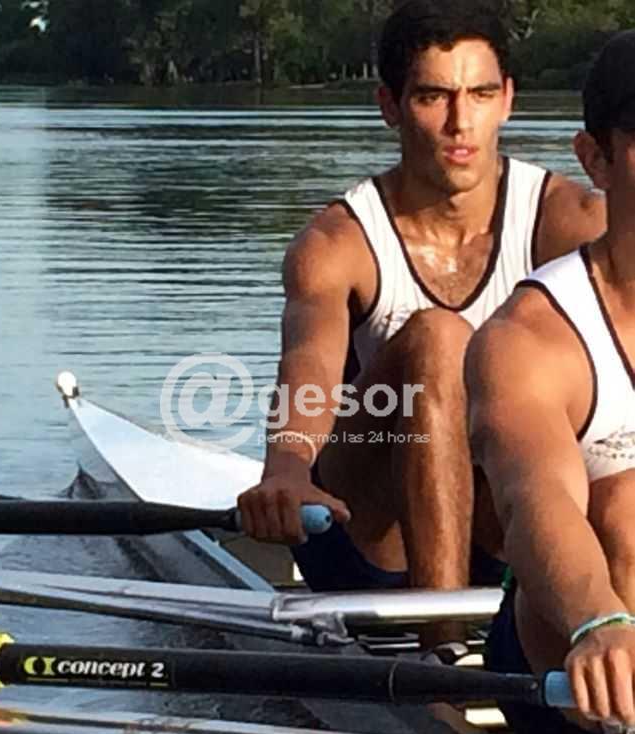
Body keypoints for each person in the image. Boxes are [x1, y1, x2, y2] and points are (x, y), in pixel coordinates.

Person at [238, 0, 605, 644]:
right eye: (434, 97)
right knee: (438, 339)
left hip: (509, 525)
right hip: (366, 537)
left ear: (507, 99)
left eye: (480, 94)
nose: (461, 123)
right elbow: (310, 368)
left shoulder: (572, 221)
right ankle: (442, 652)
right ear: (390, 105)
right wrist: (288, 469)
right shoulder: (336, 244)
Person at [466, 30, 635, 734]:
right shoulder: (528, 338)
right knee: (624, 507)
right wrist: (599, 618)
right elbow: (536, 499)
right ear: (594, 158)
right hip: (563, 648)